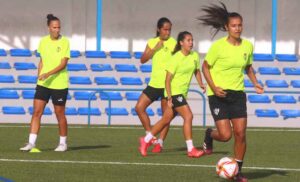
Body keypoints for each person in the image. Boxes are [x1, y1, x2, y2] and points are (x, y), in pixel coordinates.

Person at [198, 2, 264, 181]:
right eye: (234, 25)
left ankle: (238, 171)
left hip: (237, 95)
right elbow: (205, 67)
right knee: (226, 135)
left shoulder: (247, 46)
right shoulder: (218, 46)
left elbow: (248, 67)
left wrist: (256, 83)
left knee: (241, 133)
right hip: (218, 95)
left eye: (240, 25)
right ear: (227, 27)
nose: (237, 28)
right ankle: (209, 134)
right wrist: (213, 87)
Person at [138, 31, 206, 158]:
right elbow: (167, 79)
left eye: (192, 40)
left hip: (181, 93)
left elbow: (197, 70)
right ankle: (191, 149)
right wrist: (169, 96)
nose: (191, 43)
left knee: (166, 120)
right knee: (188, 116)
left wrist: (201, 83)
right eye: (188, 40)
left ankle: (145, 140)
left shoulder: (194, 56)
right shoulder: (175, 58)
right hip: (174, 92)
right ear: (181, 43)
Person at [20, 14, 70, 152]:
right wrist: (39, 77)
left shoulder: (65, 42)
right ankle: (31, 143)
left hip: (59, 84)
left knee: (59, 113)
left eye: (59, 27)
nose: (57, 30)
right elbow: (42, 61)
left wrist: (47, 74)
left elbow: (63, 64)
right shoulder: (43, 41)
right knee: (36, 112)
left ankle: (63, 143)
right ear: (49, 28)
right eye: (54, 27)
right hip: (43, 84)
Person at [135, 17, 176, 153]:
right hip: (154, 84)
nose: (167, 32)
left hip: (167, 85)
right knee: (139, 107)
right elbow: (142, 60)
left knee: (166, 116)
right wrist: (155, 49)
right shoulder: (152, 42)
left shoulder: (174, 43)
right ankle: (149, 135)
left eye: (169, 29)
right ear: (159, 29)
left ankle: (160, 142)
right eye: (165, 29)